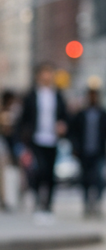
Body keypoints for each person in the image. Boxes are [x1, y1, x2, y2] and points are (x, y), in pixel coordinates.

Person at [16, 63, 68, 218]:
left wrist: (62, 126)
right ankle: (38, 200)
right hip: (36, 139)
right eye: (44, 73)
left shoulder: (57, 96)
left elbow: (65, 117)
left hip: (52, 140)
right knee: (39, 169)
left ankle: (49, 204)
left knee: (51, 173)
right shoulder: (31, 96)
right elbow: (23, 119)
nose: (47, 76)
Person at [68, 79, 106, 217]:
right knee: (85, 179)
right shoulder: (81, 115)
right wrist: (75, 147)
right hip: (84, 152)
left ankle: (97, 203)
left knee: (99, 179)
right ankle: (86, 204)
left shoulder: (103, 114)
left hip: (99, 152)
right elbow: (72, 133)